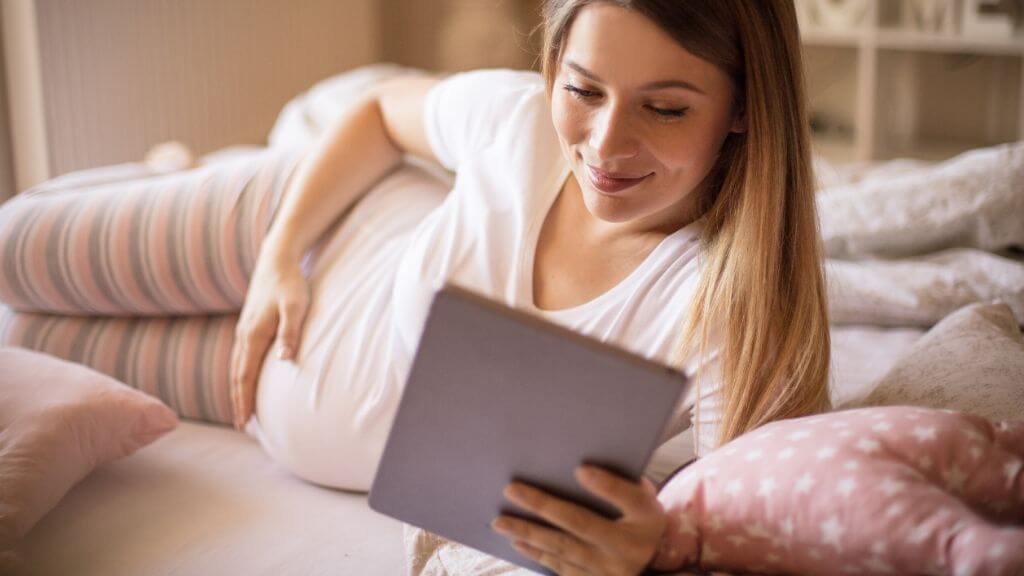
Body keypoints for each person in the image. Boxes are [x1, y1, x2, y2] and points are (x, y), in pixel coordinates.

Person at [0, 0, 829, 572]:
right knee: (15, 257)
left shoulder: (727, 307)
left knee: (23, 341)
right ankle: (189, 173)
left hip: (253, 390)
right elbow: (374, 113)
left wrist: (652, 549)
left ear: (745, 107)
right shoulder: (514, 125)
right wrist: (278, 258)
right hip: (311, 231)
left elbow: (736, 528)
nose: (606, 144)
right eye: (582, 89)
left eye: (667, 109)